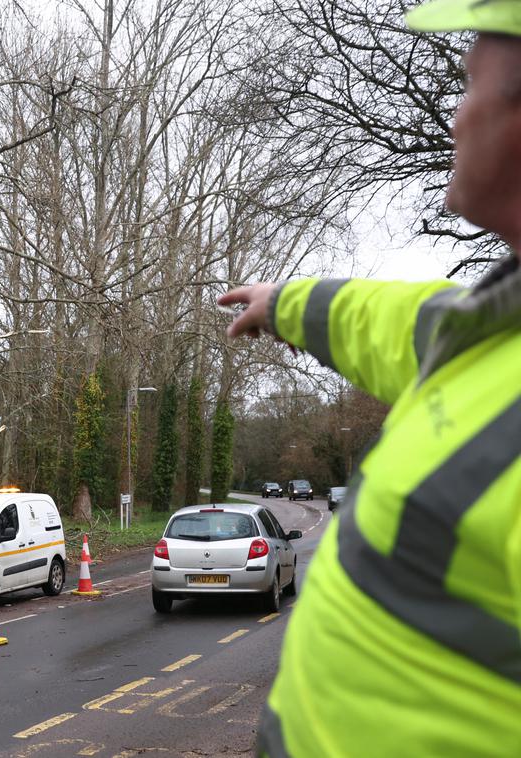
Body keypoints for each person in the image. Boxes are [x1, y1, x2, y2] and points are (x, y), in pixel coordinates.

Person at [219, 3, 521, 755]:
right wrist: (284, 303)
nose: (454, 118)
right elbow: (396, 320)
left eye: (468, 86)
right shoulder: (485, 331)